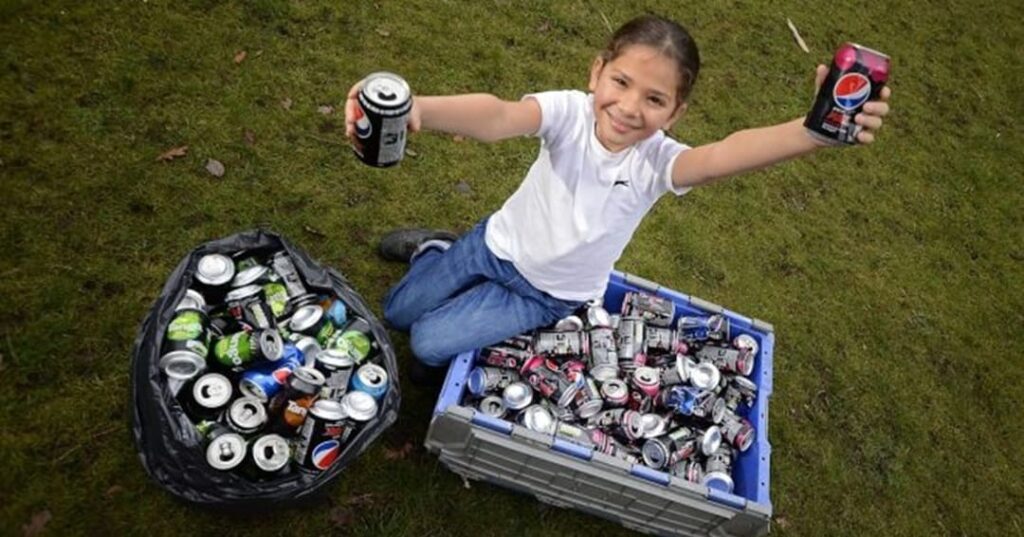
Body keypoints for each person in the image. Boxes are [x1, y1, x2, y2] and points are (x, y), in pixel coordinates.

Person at [343, 14, 891, 384]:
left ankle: (448, 291)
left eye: (654, 99)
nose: (629, 108)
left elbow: (724, 155)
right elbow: (500, 116)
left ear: (675, 113)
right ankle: (437, 250)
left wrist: (810, 133)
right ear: (596, 72)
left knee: (426, 343)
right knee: (396, 310)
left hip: (547, 295)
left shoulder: (657, 162)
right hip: (494, 245)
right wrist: (419, 108)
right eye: (621, 82)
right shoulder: (570, 112)